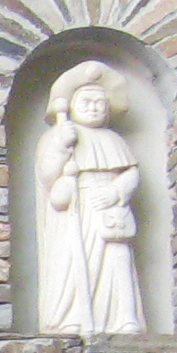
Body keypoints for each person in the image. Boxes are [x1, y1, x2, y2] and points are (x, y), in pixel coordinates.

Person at [35, 60, 145, 334]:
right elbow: (46, 176)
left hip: (109, 208)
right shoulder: (58, 136)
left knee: (116, 259)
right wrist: (61, 146)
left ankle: (123, 317)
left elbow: (131, 173)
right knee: (73, 260)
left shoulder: (114, 140)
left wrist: (116, 191)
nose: (93, 107)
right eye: (86, 101)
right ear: (72, 105)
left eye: (99, 103)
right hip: (76, 207)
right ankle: (72, 317)